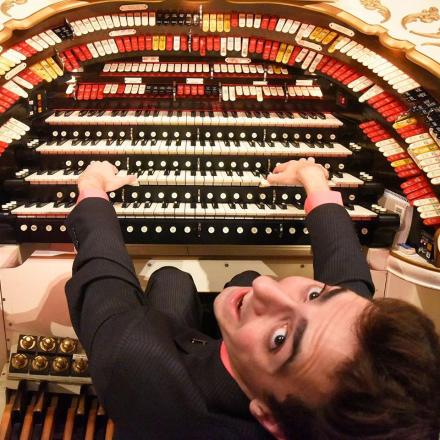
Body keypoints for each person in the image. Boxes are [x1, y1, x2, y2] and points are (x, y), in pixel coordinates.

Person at [65, 159, 440, 440]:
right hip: (231, 365)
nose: (266, 289)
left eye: (280, 339)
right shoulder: (343, 363)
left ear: (269, 418)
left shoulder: (132, 362)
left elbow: (103, 276)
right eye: (315, 294)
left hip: (174, 369)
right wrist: (313, 179)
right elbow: (349, 276)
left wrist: (93, 185)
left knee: (170, 278)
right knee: (244, 278)